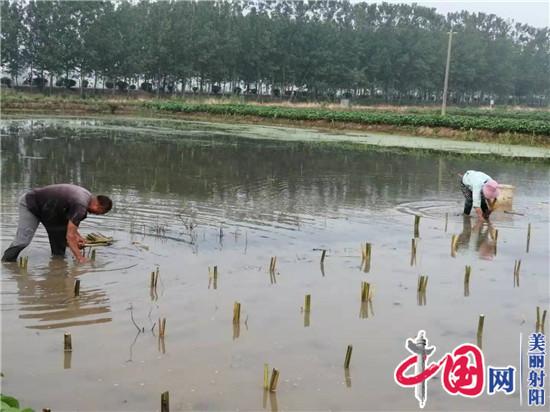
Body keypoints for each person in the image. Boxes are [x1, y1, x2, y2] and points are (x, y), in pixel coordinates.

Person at [2, 184, 112, 263]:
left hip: (50, 211)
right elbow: (70, 236)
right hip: (31, 204)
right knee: (23, 241)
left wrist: (78, 237)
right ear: (99, 206)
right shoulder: (81, 205)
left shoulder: (86, 197)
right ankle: (6, 261)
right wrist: (80, 258)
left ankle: (57, 267)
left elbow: (71, 224)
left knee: (59, 247)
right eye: (101, 213)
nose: (98, 215)